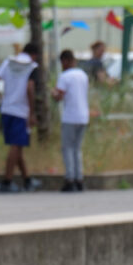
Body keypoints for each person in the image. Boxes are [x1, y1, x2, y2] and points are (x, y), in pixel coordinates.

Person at [0, 43, 40, 192]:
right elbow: (30, 88)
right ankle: (7, 181)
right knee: (16, 146)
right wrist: (31, 113)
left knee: (18, 146)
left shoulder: (8, 62)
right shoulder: (32, 66)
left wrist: (1, 97)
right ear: (34, 55)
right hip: (21, 110)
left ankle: (27, 180)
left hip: (7, 108)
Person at [52, 50, 90, 192]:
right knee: (77, 149)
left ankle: (70, 179)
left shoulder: (64, 76)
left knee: (67, 148)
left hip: (70, 116)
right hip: (83, 116)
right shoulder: (83, 75)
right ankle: (79, 178)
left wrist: (53, 93)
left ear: (65, 61)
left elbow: (59, 96)